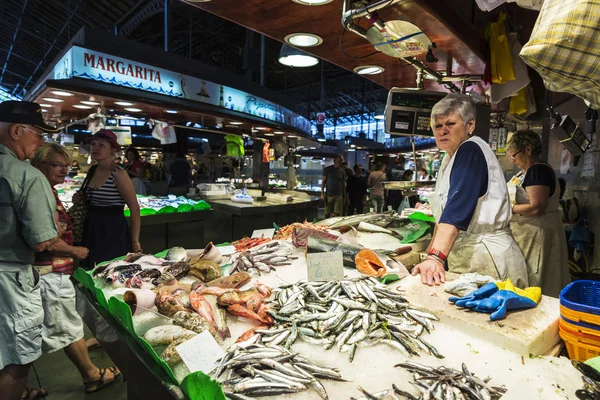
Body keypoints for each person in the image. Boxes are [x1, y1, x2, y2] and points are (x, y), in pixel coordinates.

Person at [411, 93, 528, 287]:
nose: (443, 131)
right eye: (438, 126)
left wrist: (435, 258)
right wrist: (429, 255)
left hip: (489, 258)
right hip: (474, 254)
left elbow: (456, 208)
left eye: (450, 124)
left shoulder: (470, 150)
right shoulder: (451, 158)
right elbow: (444, 215)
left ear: (470, 125)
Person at [31, 143, 121, 393]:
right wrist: (73, 250)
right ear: (38, 165)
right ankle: (92, 375)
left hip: (52, 270)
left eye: (66, 166)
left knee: (53, 324)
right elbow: (42, 238)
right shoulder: (40, 192)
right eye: (56, 165)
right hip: (50, 269)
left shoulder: (47, 190)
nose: (63, 171)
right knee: (66, 324)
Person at [0, 100, 69, 400]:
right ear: (16, 131)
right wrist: (57, 231)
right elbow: (42, 240)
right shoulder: (26, 176)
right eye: (38, 133)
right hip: (10, 280)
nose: (42, 140)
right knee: (15, 361)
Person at [507, 130, 569, 297]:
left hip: (538, 235)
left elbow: (537, 207)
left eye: (514, 155)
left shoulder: (538, 171)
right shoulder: (525, 173)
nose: (513, 160)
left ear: (528, 149)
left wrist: (508, 209)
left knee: (539, 279)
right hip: (529, 234)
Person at [74, 129, 142, 270]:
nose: (95, 148)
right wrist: (80, 198)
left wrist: (134, 241)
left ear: (112, 150)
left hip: (112, 229)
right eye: (93, 144)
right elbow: (89, 199)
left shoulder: (118, 174)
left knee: (109, 269)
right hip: (91, 227)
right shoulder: (93, 170)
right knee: (91, 269)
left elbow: (134, 208)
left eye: (101, 145)